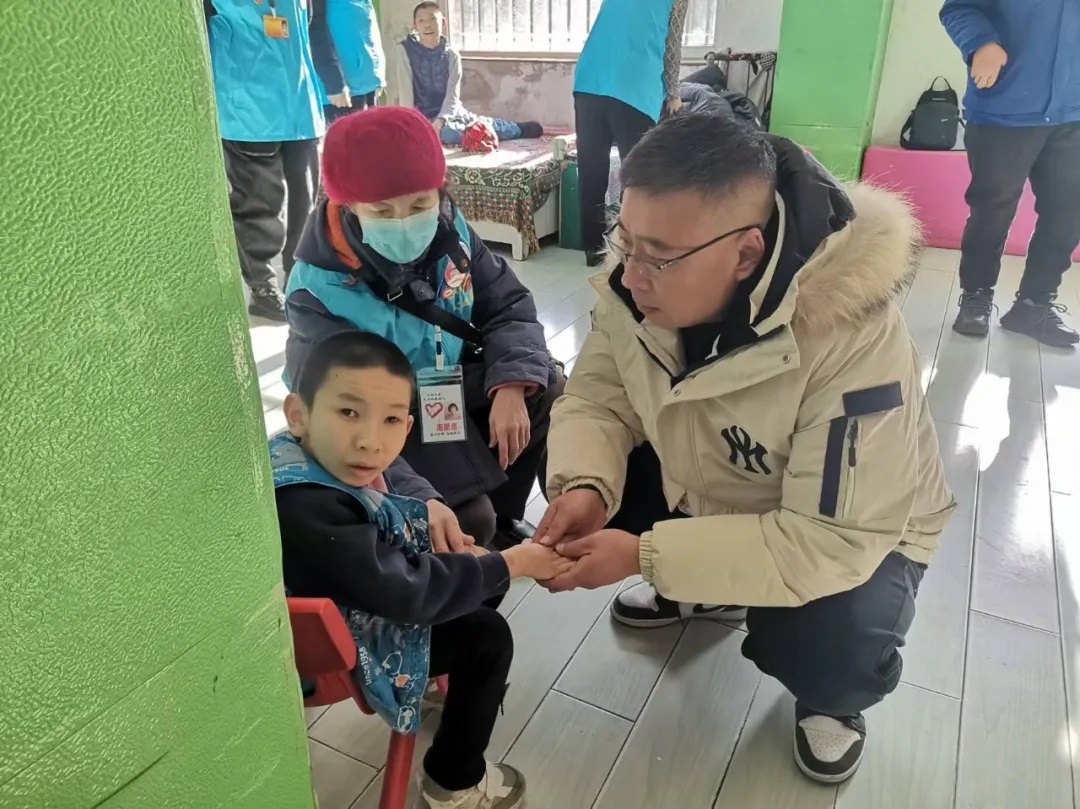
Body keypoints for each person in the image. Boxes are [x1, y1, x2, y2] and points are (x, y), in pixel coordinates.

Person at [535, 114, 956, 784]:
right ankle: (704, 587)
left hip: (859, 533)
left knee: (831, 638)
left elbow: (832, 540)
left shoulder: (851, 336)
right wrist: (586, 484)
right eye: (625, 239)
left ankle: (833, 697)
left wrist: (644, 554)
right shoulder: (637, 281)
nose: (632, 275)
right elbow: (597, 399)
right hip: (715, 480)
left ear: (747, 254)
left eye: (658, 256)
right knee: (572, 468)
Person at [273, 331, 571, 809]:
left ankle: (435, 681)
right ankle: (451, 781)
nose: (370, 441)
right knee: (488, 638)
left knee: (477, 579)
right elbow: (408, 594)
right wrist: (511, 562)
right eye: (348, 412)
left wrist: (467, 553)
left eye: (391, 419)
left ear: (408, 425)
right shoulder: (308, 508)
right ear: (298, 413)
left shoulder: (306, 456)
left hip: (358, 602)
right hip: (342, 650)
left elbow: (385, 525)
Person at [284, 105, 563, 550]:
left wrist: (512, 385)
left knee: (542, 386)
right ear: (348, 206)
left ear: (440, 191)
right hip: (383, 418)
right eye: (382, 210)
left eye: (419, 204)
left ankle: (505, 516)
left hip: (443, 387)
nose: (404, 223)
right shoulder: (317, 290)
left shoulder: (454, 233)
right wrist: (420, 498)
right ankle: (471, 546)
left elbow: (508, 304)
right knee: (465, 523)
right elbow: (334, 417)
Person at [942, 0, 1080, 347]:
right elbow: (958, 8)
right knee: (992, 209)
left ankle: (1033, 306)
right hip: (1004, 108)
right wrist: (981, 43)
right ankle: (976, 296)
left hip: (1073, 114)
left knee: (1068, 212)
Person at [204, 0, 349, 322]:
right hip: (248, 115)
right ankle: (263, 289)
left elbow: (314, 31)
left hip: (301, 111)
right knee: (259, 208)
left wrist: (333, 81)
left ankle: (300, 280)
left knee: (304, 208)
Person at [573, 0, 689, 267]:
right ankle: (633, 248)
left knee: (591, 170)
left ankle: (592, 248)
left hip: (590, 79)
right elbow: (672, 44)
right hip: (634, 84)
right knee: (637, 176)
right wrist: (673, 93)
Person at [388, 2, 543, 147]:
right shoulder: (404, 50)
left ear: (443, 22)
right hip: (420, 116)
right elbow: (406, 93)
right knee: (439, 135)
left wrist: (440, 121)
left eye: (432, 19)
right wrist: (411, 124)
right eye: (421, 20)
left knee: (466, 130)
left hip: (449, 115)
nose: (427, 24)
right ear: (414, 25)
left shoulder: (451, 55)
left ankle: (516, 129)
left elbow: (452, 97)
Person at [323, 0, 386, 124]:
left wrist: (379, 73)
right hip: (340, 91)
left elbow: (369, 25)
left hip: (369, 82)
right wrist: (333, 83)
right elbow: (315, 32)